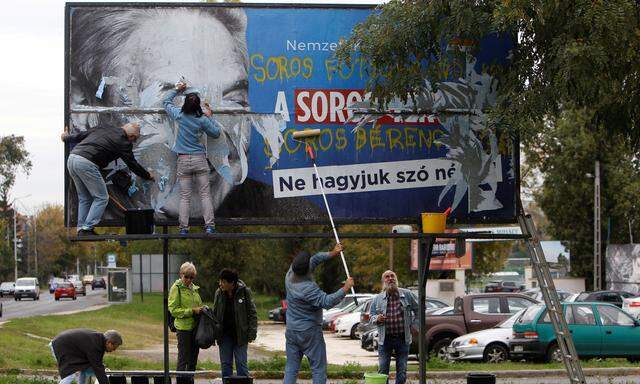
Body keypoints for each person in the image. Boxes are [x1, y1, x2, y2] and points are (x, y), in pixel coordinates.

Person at [61, 123, 154, 235]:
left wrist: (66, 137)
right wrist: (147, 175)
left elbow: (81, 136)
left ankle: (81, 229)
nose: (133, 143)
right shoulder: (123, 142)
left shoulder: (105, 127)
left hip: (72, 159)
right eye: (134, 140)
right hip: (87, 163)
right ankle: (87, 228)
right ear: (132, 137)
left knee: (84, 197)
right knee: (102, 197)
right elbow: (132, 164)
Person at [284, 243, 354, 384]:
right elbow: (327, 301)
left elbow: (315, 259)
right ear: (306, 270)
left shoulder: (291, 272)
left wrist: (332, 253)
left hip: (291, 330)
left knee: (291, 368)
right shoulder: (308, 288)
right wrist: (345, 288)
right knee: (318, 368)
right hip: (309, 332)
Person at [164, 82, 221, 234]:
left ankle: (183, 228)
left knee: (185, 197)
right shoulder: (202, 119)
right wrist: (210, 117)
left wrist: (178, 89)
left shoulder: (179, 115)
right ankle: (209, 226)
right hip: (199, 160)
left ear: (184, 105)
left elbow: (166, 102)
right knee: (205, 195)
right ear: (198, 107)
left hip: (183, 160)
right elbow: (216, 133)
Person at [368, 270, 419, 384]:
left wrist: (414, 326)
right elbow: (370, 317)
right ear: (383, 281)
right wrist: (377, 319)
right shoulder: (377, 299)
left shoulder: (407, 294)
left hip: (403, 338)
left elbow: (419, 310)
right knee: (382, 370)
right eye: (387, 277)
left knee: (402, 371)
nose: (390, 278)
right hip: (385, 339)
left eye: (392, 276)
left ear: (396, 279)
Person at [212, 268, 258, 378]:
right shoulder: (219, 293)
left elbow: (252, 314)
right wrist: (214, 334)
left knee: (241, 364)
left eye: (223, 282)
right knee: (226, 365)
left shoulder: (245, 292)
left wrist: (252, 333)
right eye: (220, 281)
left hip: (240, 335)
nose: (220, 284)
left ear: (231, 283)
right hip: (224, 336)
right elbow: (214, 314)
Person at [168, 262, 204, 384]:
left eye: (191, 277)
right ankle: (181, 382)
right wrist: (191, 311)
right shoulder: (176, 288)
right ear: (180, 274)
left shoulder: (194, 289)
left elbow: (198, 305)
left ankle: (190, 381)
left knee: (193, 358)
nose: (189, 279)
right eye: (186, 276)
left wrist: (202, 309)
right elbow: (173, 310)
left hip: (195, 328)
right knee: (183, 358)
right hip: (183, 329)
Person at [50, 328, 122, 384]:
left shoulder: (98, 340)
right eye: (114, 347)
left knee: (86, 368)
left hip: (63, 344)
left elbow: (96, 365)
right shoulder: (96, 345)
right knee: (70, 373)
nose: (114, 350)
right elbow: (98, 368)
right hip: (61, 346)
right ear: (109, 342)